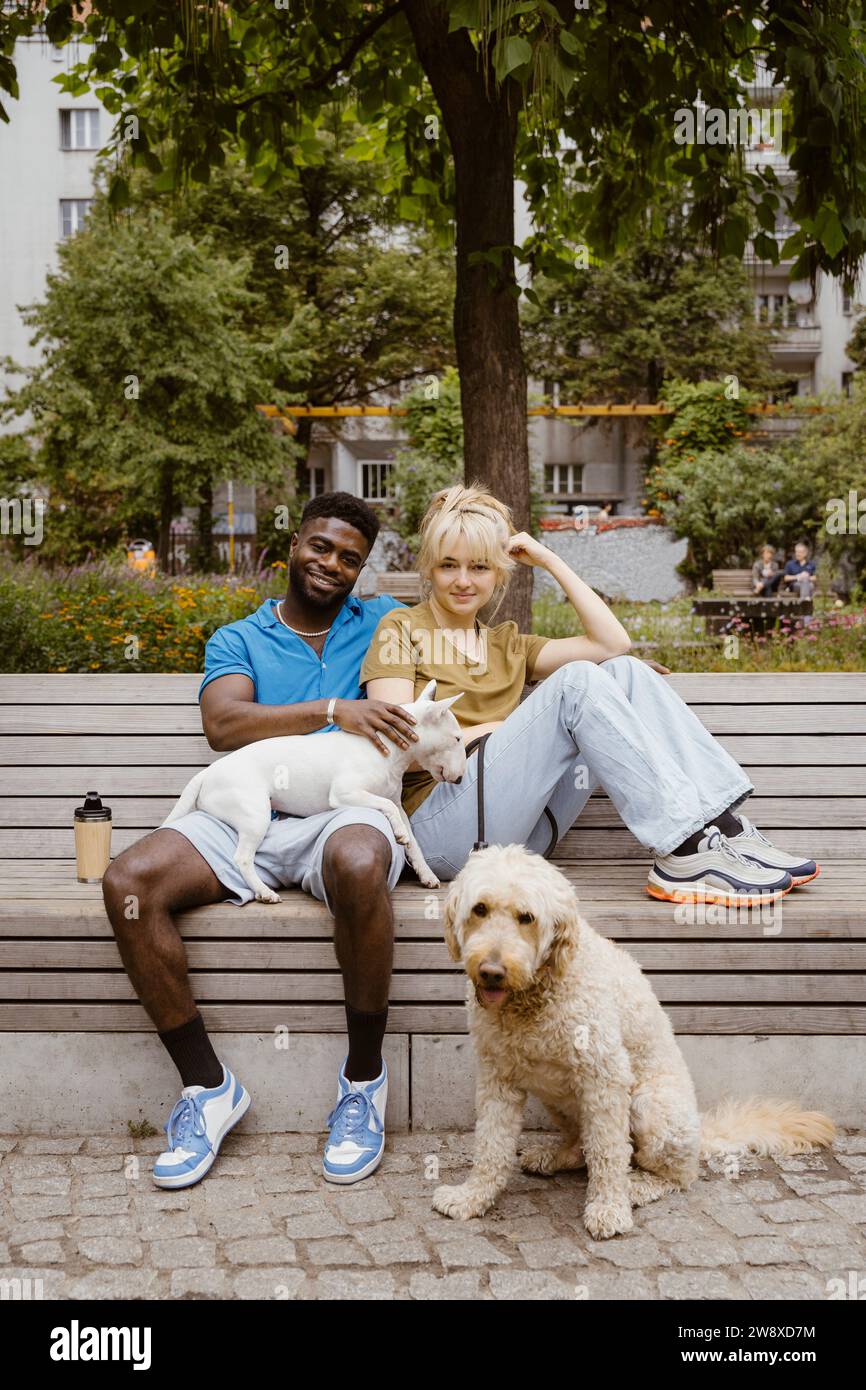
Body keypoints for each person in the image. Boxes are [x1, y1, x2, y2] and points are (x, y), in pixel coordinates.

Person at [102, 493, 422, 1190]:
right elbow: (225, 726)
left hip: (339, 813)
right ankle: (208, 1089)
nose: (331, 564)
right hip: (241, 814)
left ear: (361, 570)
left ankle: (363, 1082)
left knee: (363, 859)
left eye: (349, 558)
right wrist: (334, 710)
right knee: (129, 882)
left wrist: (580, 675)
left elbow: (469, 643)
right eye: (321, 547)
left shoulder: (384, 625)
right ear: (292, 547)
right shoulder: (239, 637)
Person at [360, 482, 819, 910]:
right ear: (430, 567)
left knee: (623, 670)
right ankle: (683, 850)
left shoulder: (507, 643)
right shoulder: (401, 629)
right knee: (578, 681)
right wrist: (494, 731)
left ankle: (722, 826)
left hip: (523, 835)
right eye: (448, 565)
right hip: (440, 835)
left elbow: (612, 643)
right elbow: (393, 751)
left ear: (499, 573)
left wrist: (550, 560)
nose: (463, 580)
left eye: (479, 567)